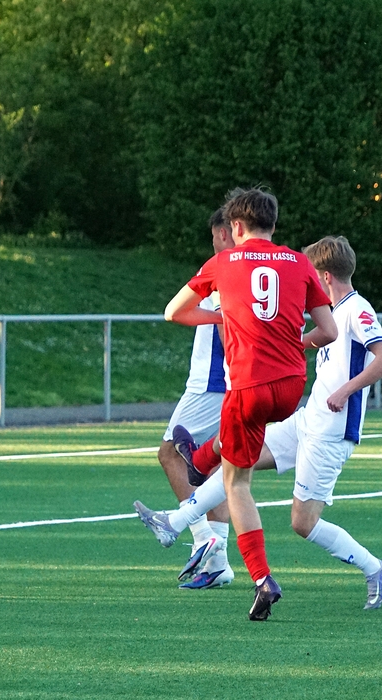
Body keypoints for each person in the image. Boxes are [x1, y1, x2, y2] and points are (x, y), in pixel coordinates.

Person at [139, 236, 382, 611]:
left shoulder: (357, 310)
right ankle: (175, 521)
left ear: (324, 277)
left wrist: (346, 391)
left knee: (303, 523)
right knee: (237, 465)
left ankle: (376, 568)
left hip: (331, 431)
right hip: (307, 420)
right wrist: (302, 343)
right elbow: (323, 338)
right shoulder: (333, 311)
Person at [158, 187, 337, 621]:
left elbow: (173, 312)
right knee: (236, 445)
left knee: (237, 484)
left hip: (249, 387)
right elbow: (328, 331)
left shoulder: (222, 262)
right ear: (273, 225)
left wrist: (221, 315)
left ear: (235, 227)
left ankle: (261, 578)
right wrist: (299, 342)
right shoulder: (298, 261)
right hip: (291, 386)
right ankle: (201, 459)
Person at [139, 208, 234, 590]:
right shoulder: (262, 264)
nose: (212, 244)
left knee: (169, 453)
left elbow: (191, 313)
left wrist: (218, 322)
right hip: (229, 382)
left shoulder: (224, 266)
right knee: (212, 469)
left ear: (228, 233)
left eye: (214, 237)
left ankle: (198, 537)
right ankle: (218, 564)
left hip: (212, 382)